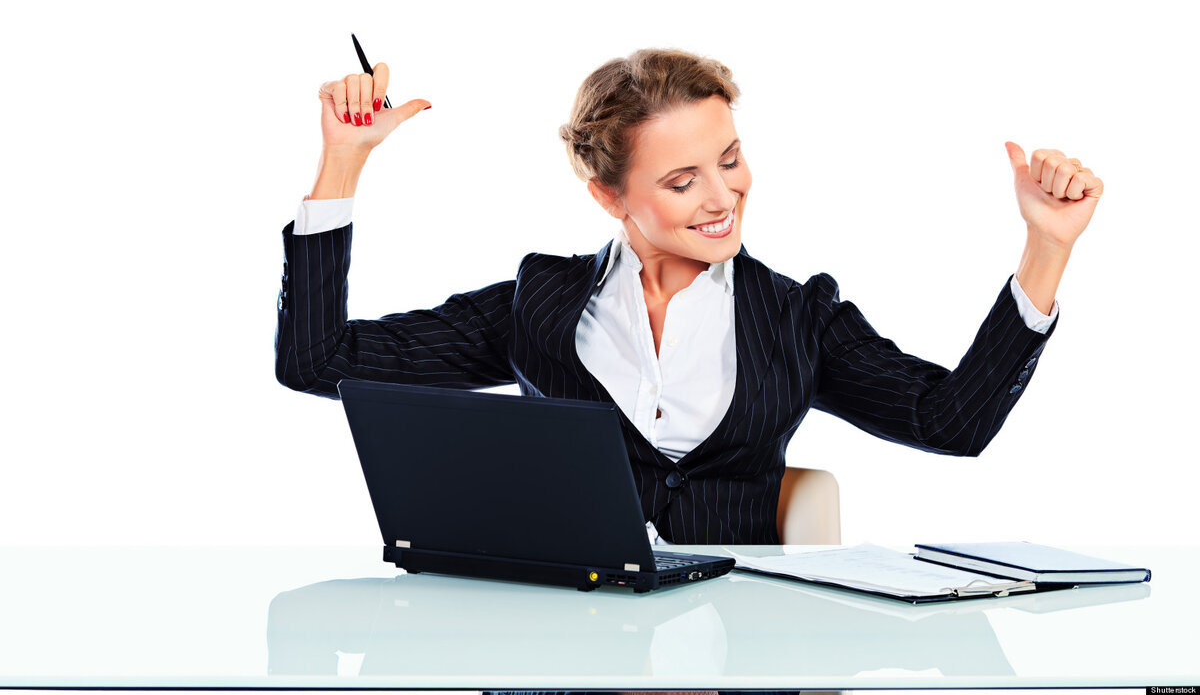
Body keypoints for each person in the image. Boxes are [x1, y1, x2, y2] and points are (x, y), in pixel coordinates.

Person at [275, 48, 1103, 546]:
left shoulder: (797, 318)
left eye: (730, 160)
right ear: (609, 197)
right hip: (567, 647)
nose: (722, 196)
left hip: (738, 648)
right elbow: (316, 362)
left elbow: (950, 423)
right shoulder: (537, 304)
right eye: (682, 180)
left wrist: (1047, 247)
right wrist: (343, 164)